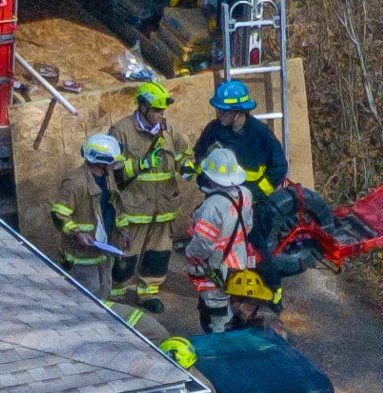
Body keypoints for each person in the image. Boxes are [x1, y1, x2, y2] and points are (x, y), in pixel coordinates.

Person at [101, 81, 190, 311]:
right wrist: (141, 164)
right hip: (133, 208)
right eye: (157, 110)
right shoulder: (121, 131)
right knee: (125, 256)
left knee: (158, 255)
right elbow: (113, 170)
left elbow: (183, 154)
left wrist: (189, 167)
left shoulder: (168, 131)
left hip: (163, 208)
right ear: (143, 107)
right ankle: (116, 293)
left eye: (163, 110)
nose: (161, 115)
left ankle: (148, 293)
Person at [185, 147, 263, 334]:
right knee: (235, 308)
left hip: (217, 268)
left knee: (215, 316)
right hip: (241, 263)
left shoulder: (211, 207)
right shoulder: (245, 193)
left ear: (210, 176)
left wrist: (190, 255)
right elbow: (248, 226)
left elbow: (203, 244)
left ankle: (222, 350)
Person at [51, 134, 127, 296]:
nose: (115, 165)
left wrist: (123, 232)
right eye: (112, 162)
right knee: (87, 297)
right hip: (83, 255)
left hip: (103, 248)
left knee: (105, 290)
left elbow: (113, 206)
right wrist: (78, 233)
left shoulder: (107, 177)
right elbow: (59, 215)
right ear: (102, 162)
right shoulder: (75, 183)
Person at [193, 79, 287, 191]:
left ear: (238, 112)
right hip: (219, 196)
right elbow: (200, 157)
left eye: (223, 111)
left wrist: (259, 191)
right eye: (218, 110)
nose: (219, 115)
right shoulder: (213, 130)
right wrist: (204, 181)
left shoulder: (260, 133)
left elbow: (279, 167)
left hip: (253, 201)